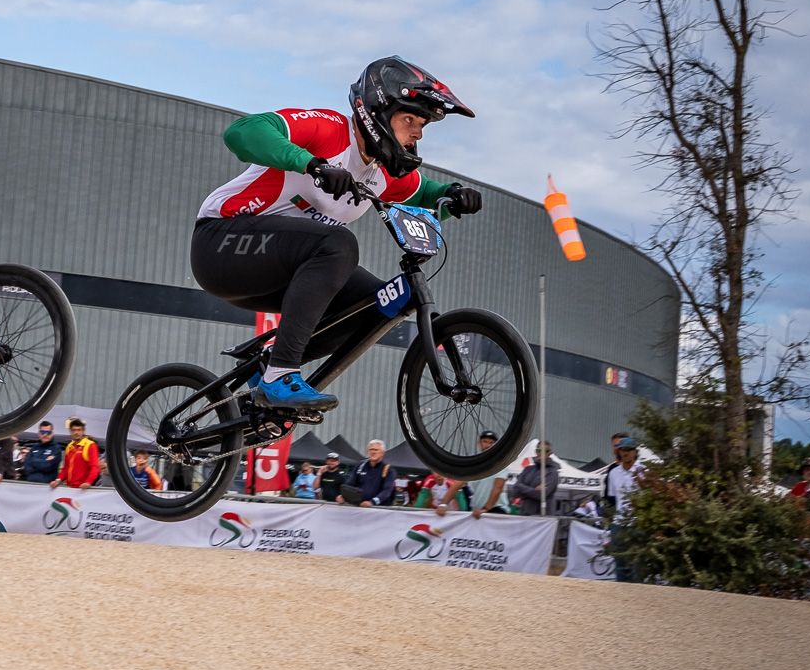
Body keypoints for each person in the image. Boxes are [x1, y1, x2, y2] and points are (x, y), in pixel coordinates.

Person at [191, 58, 480, 410]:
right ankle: (280, 374)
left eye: (421, 125)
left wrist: (454, 195)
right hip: (219, 245)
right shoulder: (329, 130)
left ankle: (268, 363)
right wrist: (312, 164)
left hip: (281, 272)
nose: (417, 133)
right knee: (337, 245)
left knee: (379, 303)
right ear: (378, 112)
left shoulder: (382, 172)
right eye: (410, 121)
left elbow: (427, 194)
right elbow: (241, 133)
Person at [599, 438, 645, 583]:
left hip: (637, 523)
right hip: (619, 524)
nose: (625, 453)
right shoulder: (613, 473)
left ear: (635, 452)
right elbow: (613, 499)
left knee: (636, 565)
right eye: (622, 450)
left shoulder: (643, 471)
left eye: (628, 450)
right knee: (619, 563)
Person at [503, 441, 561, 516]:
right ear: (536, 452)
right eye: (538, 450)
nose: (541, 453)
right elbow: (515, 491)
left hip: (543, 518)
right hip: (524, 515)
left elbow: (541, 495)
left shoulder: (553, 472)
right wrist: (533, 490)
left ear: (549, 453)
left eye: (544, 451)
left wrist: (521, 487)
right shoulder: (528, 469)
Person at [345, 439, 400, 506]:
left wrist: (373, 502)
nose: (373, 452)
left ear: (382, 453)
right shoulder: (360, 466)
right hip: (360, 507)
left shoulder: (388, 470)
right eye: (371, 449)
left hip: (379, 509)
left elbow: (387, 491)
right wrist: (343, 496)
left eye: (376, 450)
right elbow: (349, 484)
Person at [59, 418, 102, 489]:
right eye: (74, 430)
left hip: (83, 489)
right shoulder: (69, 446)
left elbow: (95, 467)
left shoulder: (90, 445)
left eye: (79, 430)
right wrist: (58, 479)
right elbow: (66, 468)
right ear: (70, 431)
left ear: (83, 431)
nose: (76, 433)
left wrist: (88, 482)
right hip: (70, 488)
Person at [21, 420, 65, 485]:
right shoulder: (34, 447)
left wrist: (34, 461)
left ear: (52, 433)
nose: (45, 435)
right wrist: (44, 461)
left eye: (48, 432)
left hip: (48, 487)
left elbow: (48, 467)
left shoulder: (56, 448)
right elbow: (27, 467)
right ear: (39, 433)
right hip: (31, 485)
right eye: (42, 432)